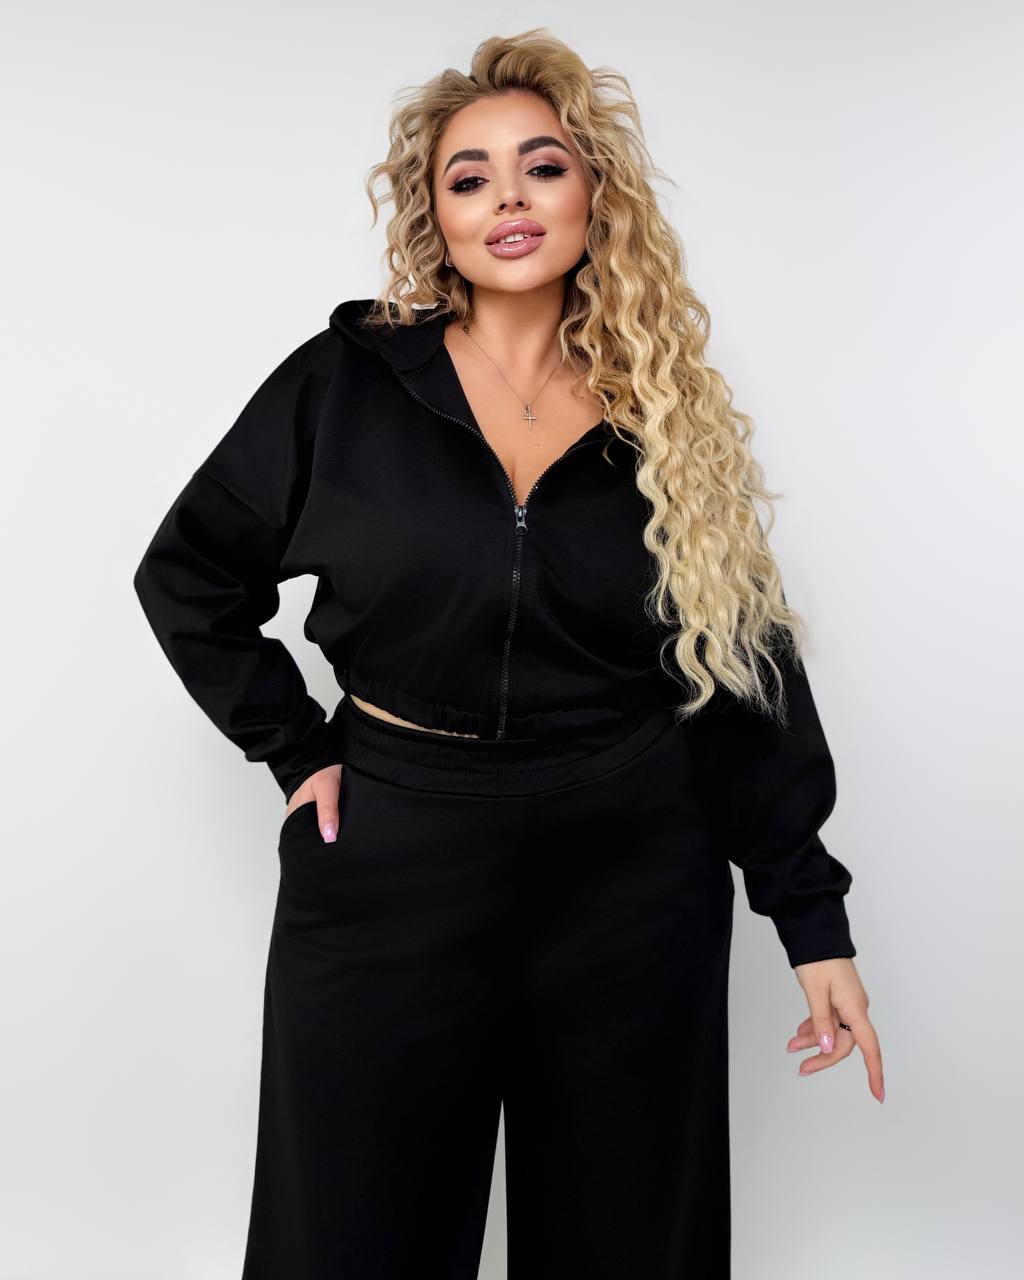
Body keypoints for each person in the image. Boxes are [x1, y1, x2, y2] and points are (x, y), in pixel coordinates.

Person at [132, 28, 883, 1280]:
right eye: (468, 177)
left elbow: (745, 666)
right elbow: (189, 571)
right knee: (348, 1239)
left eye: (541, 166)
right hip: (394, 854)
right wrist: (296, 747)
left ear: (594, 193)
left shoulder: (664, 413)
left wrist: (814, 920)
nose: (507, 200)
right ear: (435, 215)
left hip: (631, 872)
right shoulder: (344, 386)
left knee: (627, 1242)